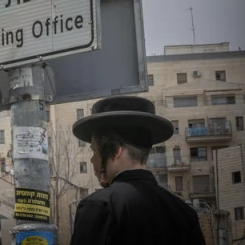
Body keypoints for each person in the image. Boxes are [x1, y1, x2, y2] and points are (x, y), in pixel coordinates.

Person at [70, 96, 206, 245]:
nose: (92, 160)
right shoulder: (185, 213)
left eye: (95, 151)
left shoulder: (100, 206)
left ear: (116, 151)